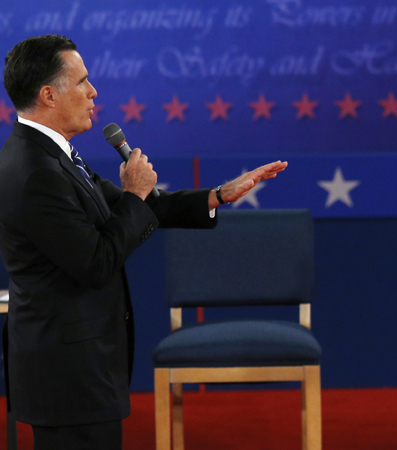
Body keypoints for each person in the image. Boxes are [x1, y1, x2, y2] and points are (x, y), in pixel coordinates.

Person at [0, 34, 287, 449]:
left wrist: (218, 195)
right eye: (81, 81)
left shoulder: (51, 155)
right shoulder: (34, 171)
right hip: (67, 375)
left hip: (78, 368)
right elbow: (96, 262)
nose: (93, 92)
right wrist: (135, 194)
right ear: (48, 95)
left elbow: (135, 207)